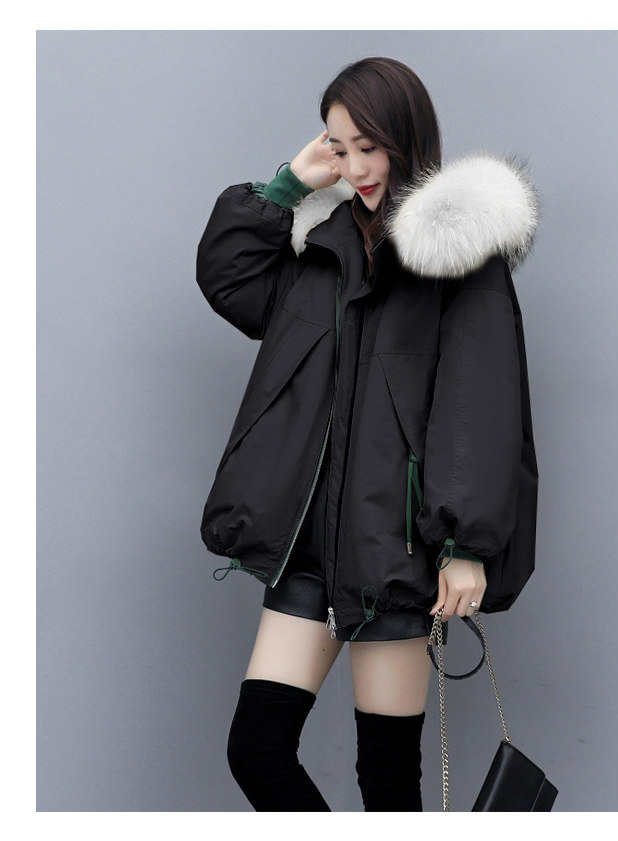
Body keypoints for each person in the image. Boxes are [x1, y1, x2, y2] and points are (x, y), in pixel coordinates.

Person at [196, 57, 539, 812]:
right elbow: (230, 281)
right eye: (340, 147)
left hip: (394, 551)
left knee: (386, 783)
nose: (355, 168)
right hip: (309, 548)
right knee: (257, 751)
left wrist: (467, 544)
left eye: (370, 147)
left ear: (407, 138)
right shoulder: (317, 244)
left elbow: (480, 408)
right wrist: (288, 187)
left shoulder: (460, 254)